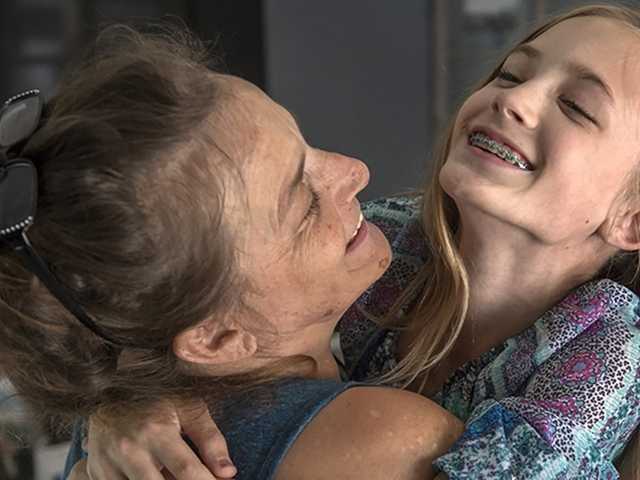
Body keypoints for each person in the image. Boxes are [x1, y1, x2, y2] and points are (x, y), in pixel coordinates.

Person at [65, 4, 640, 480]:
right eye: (511, 73)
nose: (513, 98)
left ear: (631, 220)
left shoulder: (612, 347)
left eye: (576, 107)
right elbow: (177, 295)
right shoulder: (386, 234)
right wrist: (125, 401)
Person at [0, 23, 469, 480]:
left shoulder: (123, 382)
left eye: (305, 144)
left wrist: (115, 406)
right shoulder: (385, 444)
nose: (355, 171)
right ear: (214, 338)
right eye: (304, 202)